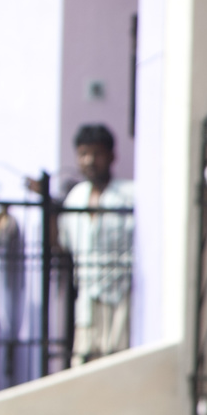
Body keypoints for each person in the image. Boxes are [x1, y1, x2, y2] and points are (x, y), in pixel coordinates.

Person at [58, 124, 133, 364]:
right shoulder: (76, 197)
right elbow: (63, 243)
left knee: (117, 363)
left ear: (111, 156)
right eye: (83, 154)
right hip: (88, 296)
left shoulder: (129, 196)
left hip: (121, 295)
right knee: (84, 362)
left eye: (97, 154)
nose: (90, 161)